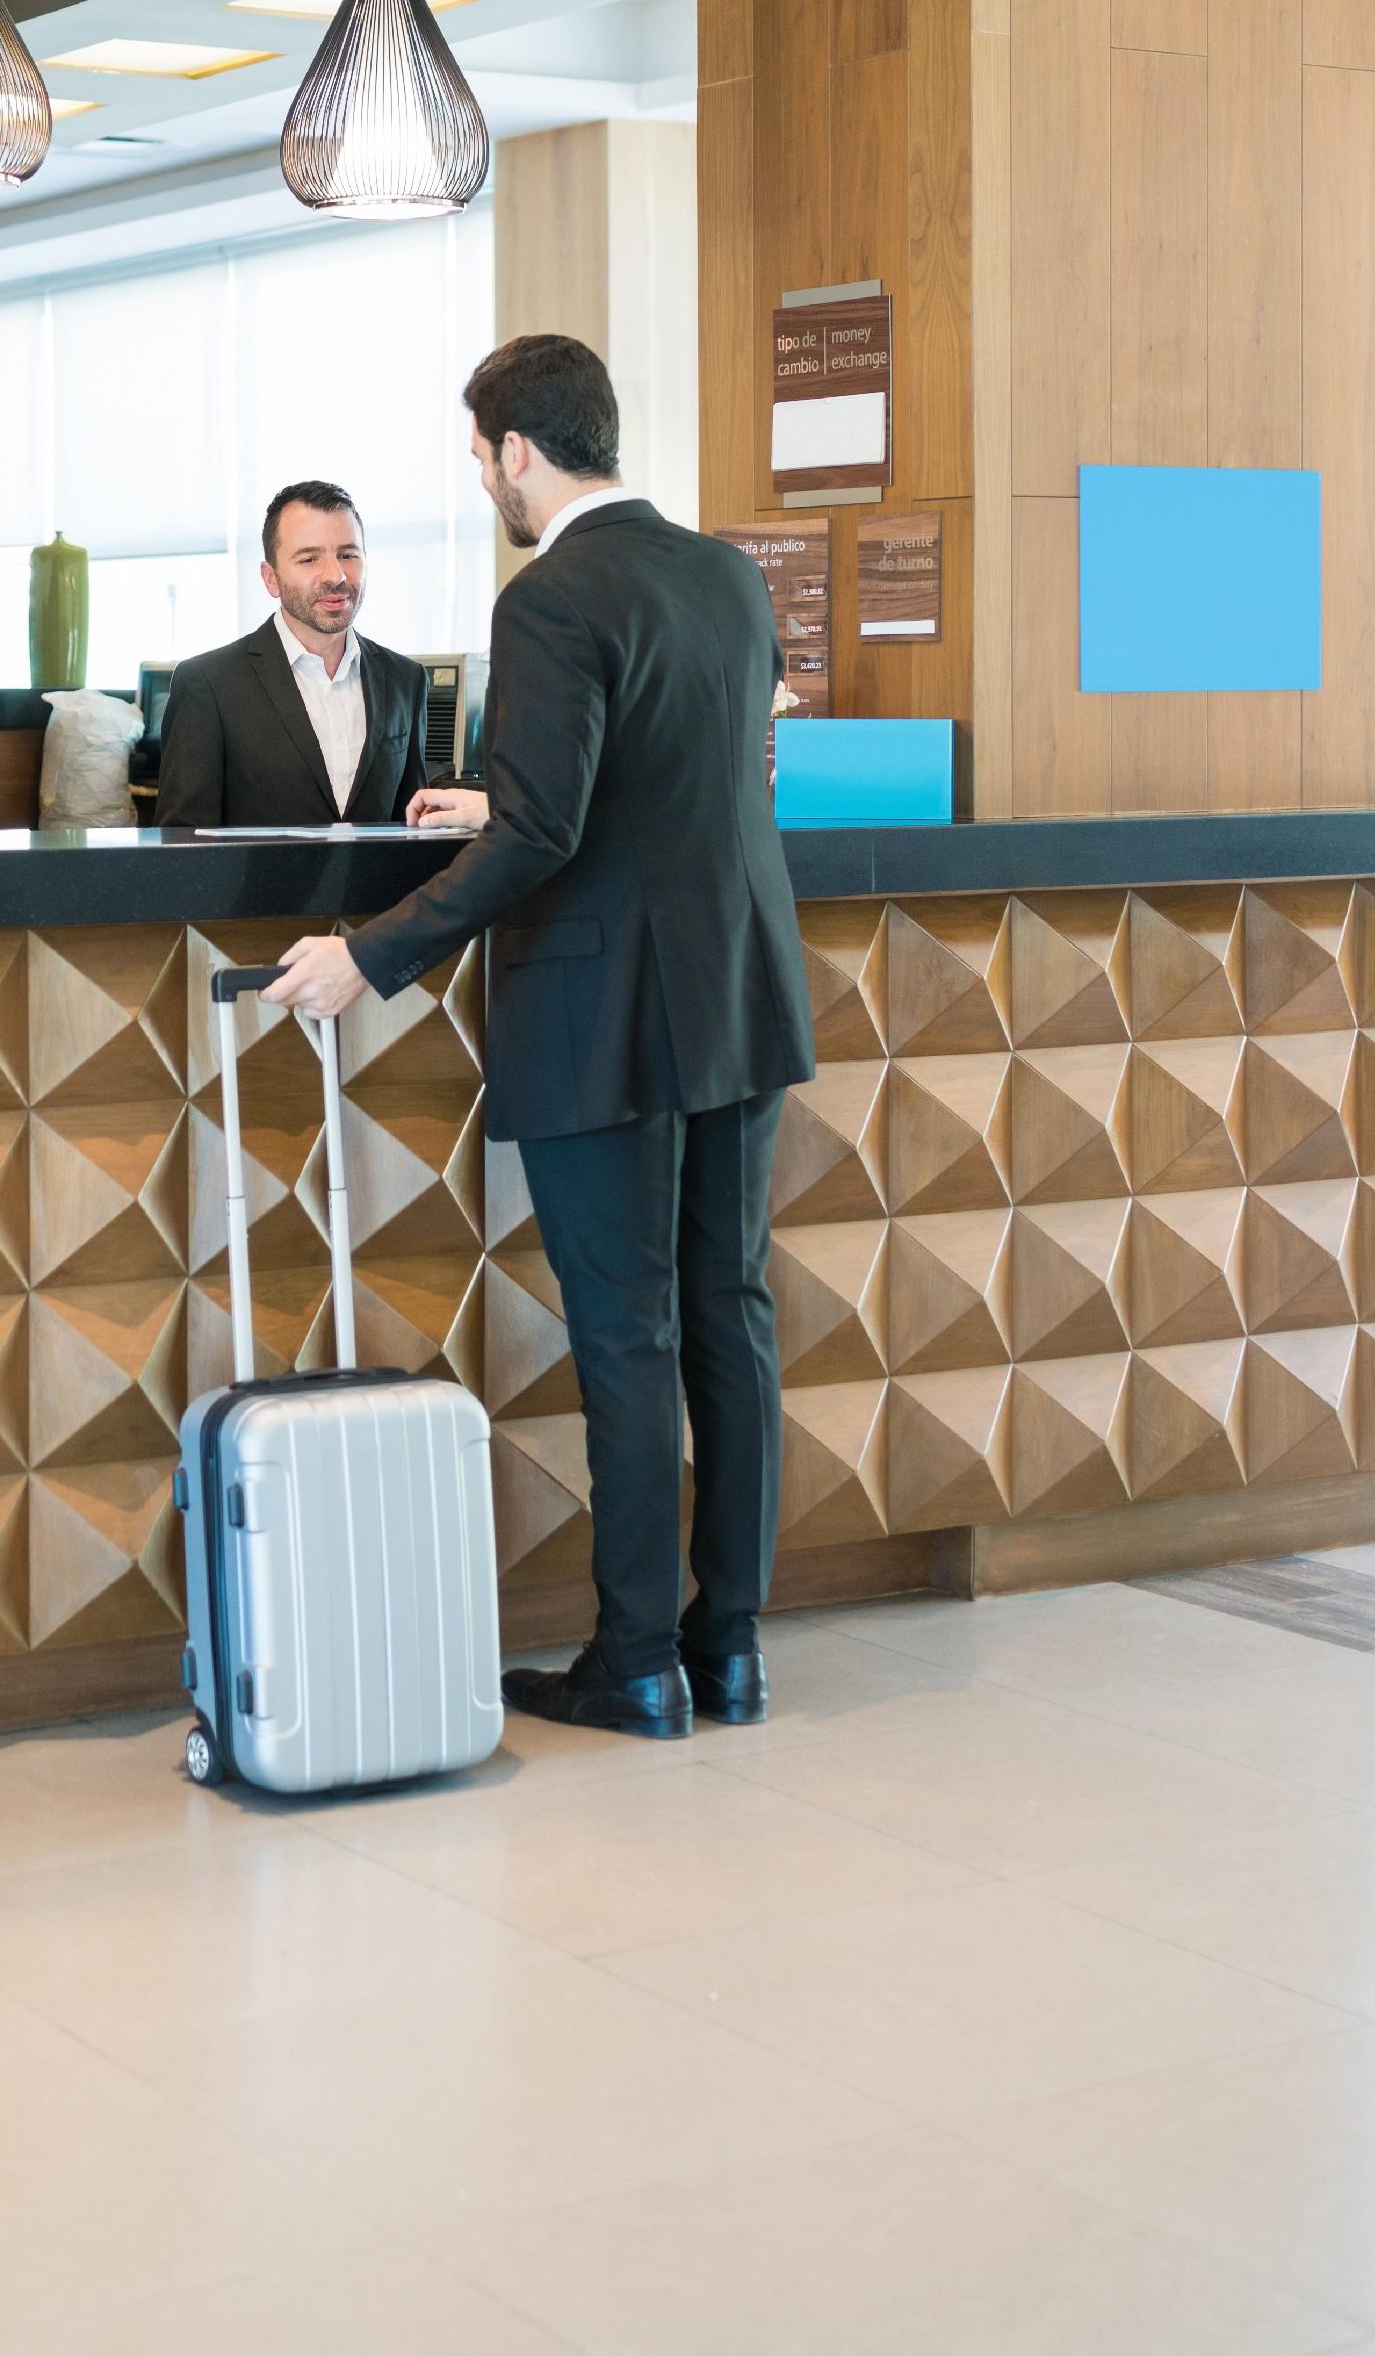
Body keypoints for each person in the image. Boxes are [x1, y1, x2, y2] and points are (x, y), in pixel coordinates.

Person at [262, 337, 812, 1740]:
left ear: (515, 451)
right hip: (736, 996)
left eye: (481, 457)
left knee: (625, 1341)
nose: (486, 480)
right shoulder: (726, 575)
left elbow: (555, 832)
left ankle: (634, 1662)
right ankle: (727, 1648)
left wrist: (367, 953)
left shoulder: (553, 593)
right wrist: (495, 809)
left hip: (605, 1014)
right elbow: (669, 779)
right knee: (728, 1323)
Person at [153, 479, 435, 830]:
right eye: (308, 559)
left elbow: (410, 829)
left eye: (348, 554)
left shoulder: (405, 681)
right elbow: (183, 843)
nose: (336, 575)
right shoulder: (208, 684)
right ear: (270, 578)